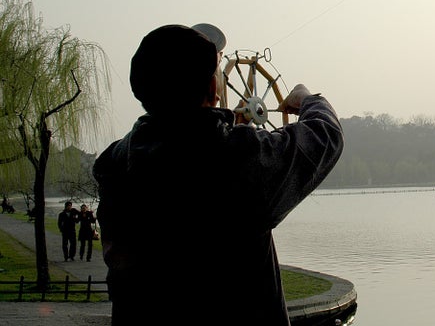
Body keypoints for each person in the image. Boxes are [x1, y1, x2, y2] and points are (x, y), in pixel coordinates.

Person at [92, 24, 344, 325]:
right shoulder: (236, 159)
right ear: (214, 89)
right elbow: (325, 135)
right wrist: (306, 98)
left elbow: (175, 144)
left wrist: (225, 123)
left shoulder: (115, 162)